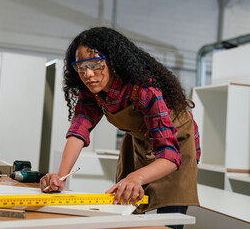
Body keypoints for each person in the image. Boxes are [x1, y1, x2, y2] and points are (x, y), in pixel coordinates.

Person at [40, 27, 200, 229]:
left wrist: (137, 176)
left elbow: (170, 154)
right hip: (140, 141)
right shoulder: (92, 91)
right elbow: (79, 131)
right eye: (80, 67)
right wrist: (60, 177)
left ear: (113, 61)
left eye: (95, 64)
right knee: (127, 209)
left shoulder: (144, 90)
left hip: (175, 144)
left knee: (169, 220)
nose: (88, 74)